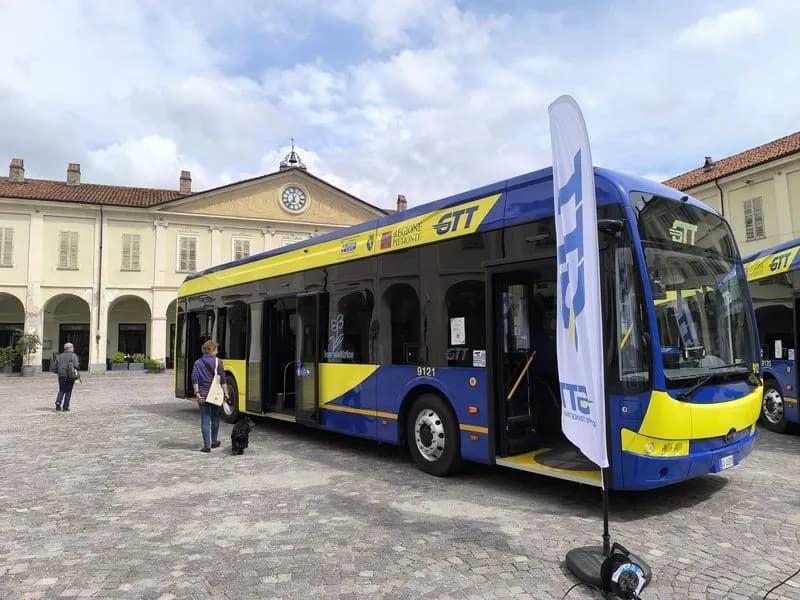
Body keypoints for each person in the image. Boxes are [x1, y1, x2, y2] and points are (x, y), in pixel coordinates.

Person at [191, 339, 229, 452]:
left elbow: (195, 378)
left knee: (205, 419)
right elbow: (223, 379)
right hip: (215, 395)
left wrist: (197, 393)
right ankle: (214, 441)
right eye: (216, 349)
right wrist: (226, 393)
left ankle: (207, 446)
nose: (217, 352)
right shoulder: (218, 362)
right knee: (215, 417)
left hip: (202, 394)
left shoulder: (197, 363)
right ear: (211, 350)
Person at [51, 342, 80, 412]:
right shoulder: (73, 355)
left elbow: (55, 367)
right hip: (70, 375)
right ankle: (65, 407)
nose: (73, 348)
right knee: (68, 391)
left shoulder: (60, 356)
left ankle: (58, 402)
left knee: (61, 390)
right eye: (72, 347)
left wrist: (58, 372)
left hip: (61, 375)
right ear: (69, 348)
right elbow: (76, 365)